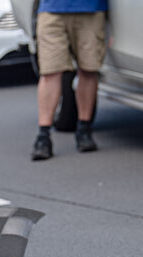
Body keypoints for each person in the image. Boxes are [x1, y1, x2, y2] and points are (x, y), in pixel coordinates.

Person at [31, 0, 107, 160]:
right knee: (50, 72)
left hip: (90, 9)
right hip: (52, 10)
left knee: (88, 70)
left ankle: (84, 129)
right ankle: (43, 136)